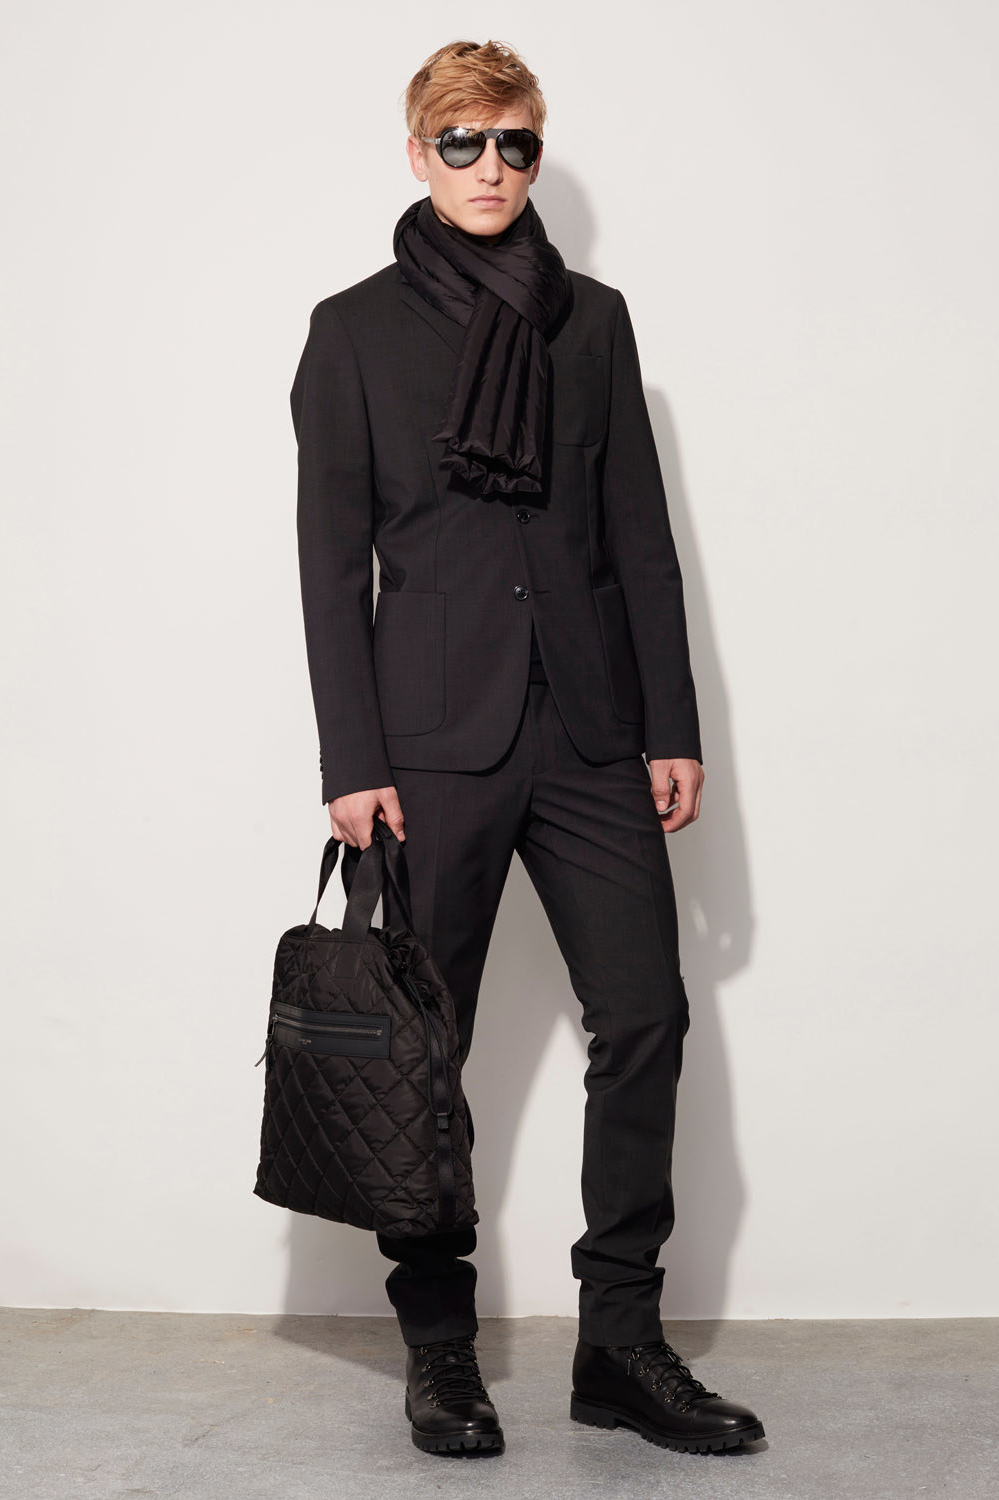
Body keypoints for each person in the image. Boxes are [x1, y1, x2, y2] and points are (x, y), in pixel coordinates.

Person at [289, 37, 764, 1459]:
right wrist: (352, 756)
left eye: (514, 145)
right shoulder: (352, 331)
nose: (490, 168)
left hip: (593, 728)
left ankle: (618, 1342)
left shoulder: (593, 322)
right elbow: (331, 566)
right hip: (429, 742)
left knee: (648, 1016)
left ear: (535, 155)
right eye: (462, 144)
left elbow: (640, 540)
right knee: (422, 1053)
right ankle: (441, 1351)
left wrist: (669, 725)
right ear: (417, 153)